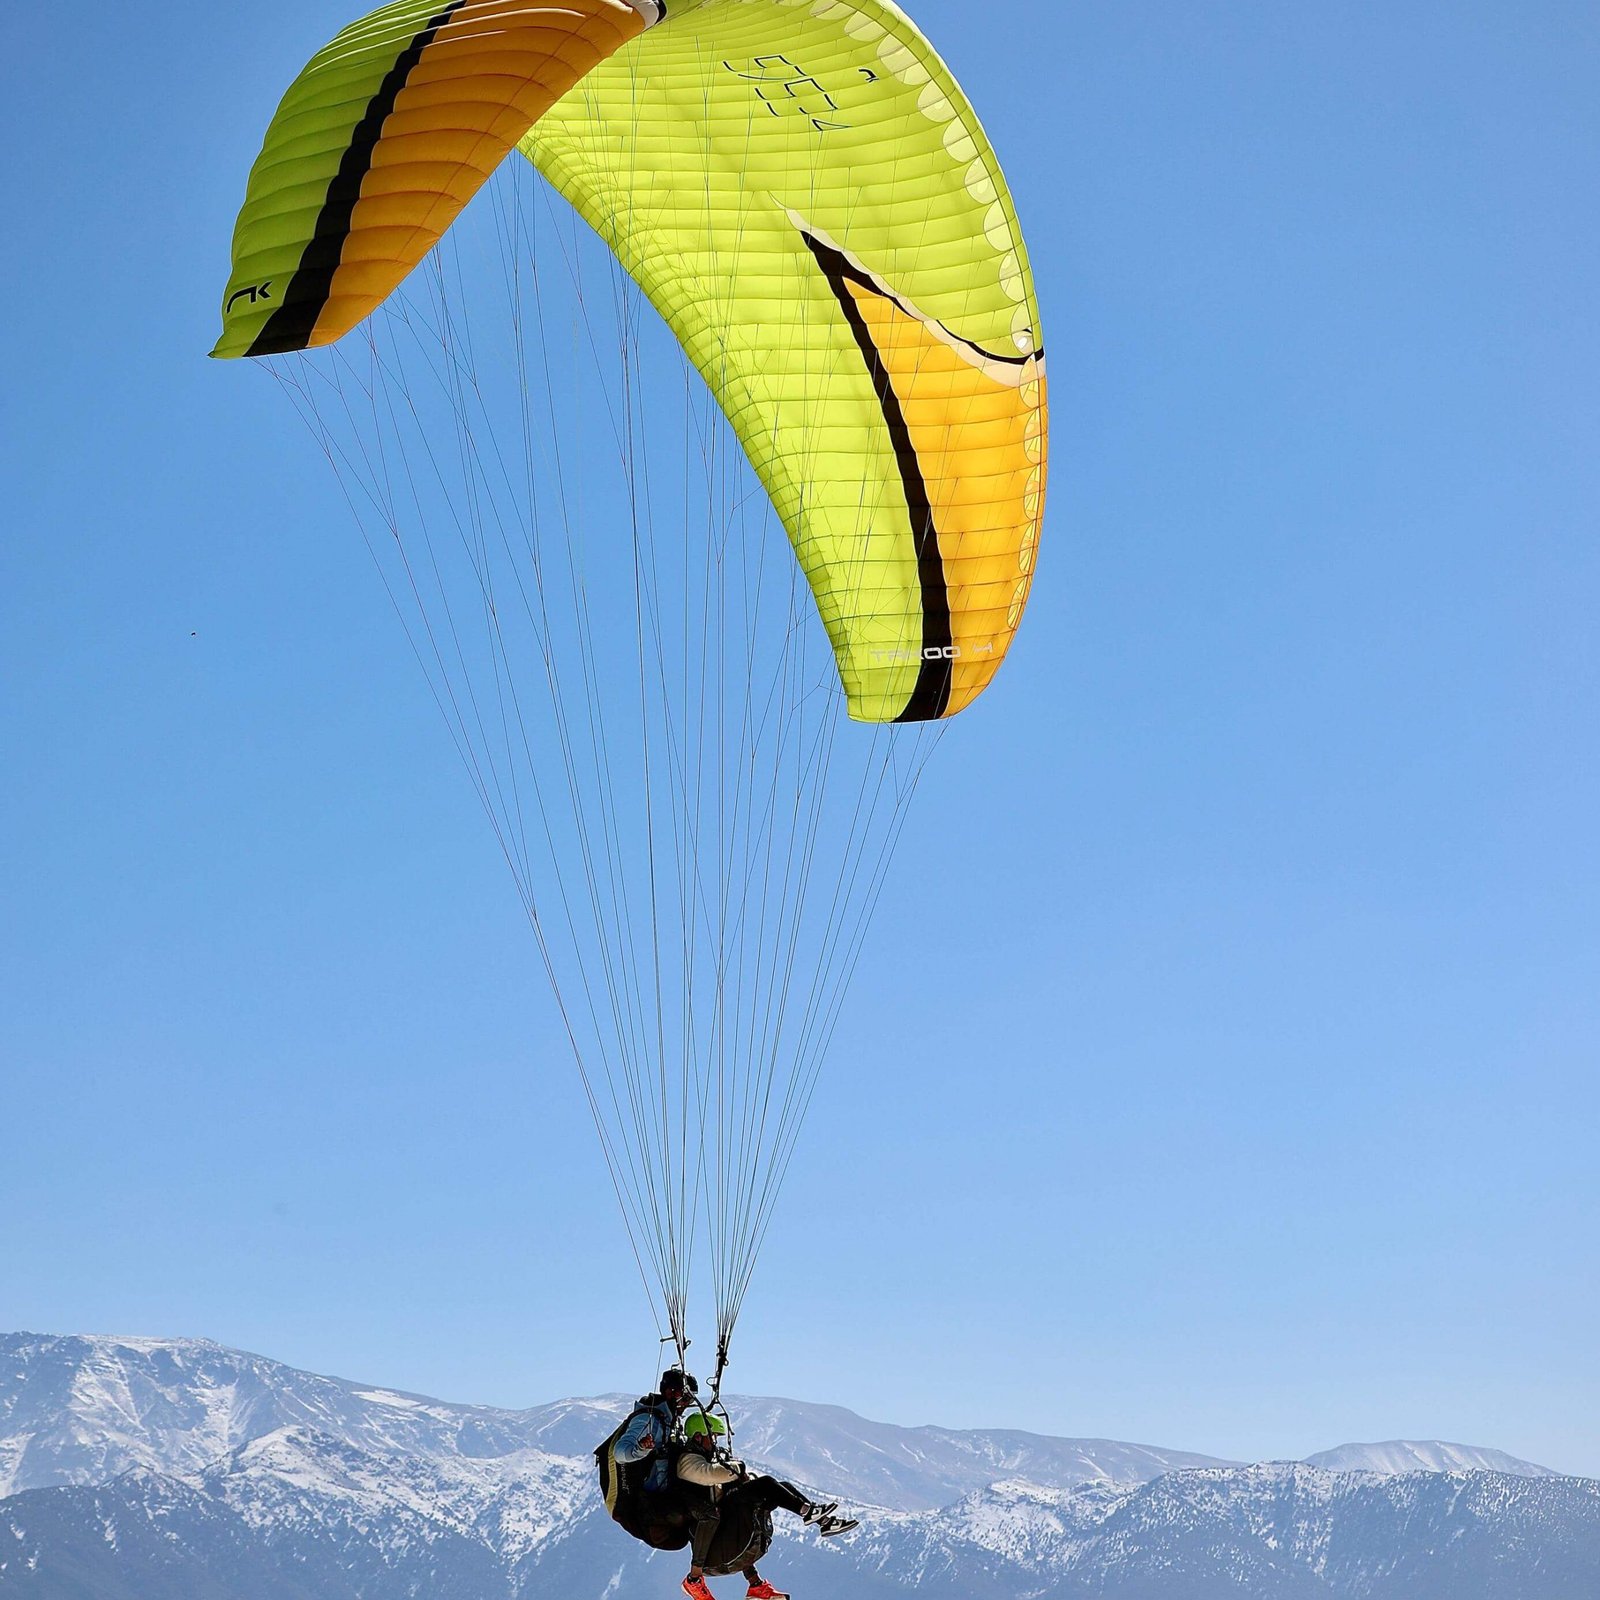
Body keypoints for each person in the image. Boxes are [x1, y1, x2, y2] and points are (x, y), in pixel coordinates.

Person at [674, 1410, 859, 1600]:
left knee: (780, 1489)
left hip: (721, 1533)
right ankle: (694, 1580)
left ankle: (821, 1521)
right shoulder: (687, 1462)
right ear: (698, 1436)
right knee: (766, 1484)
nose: (714, 1441)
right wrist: (738, 1468)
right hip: (709, 1550)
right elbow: (711, 1475)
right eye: (711, 1437)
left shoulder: (704, 1458)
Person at [596, 1368, 703, 1548]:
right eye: (685, 1398)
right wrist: (640, 1449)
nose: (686, 1404)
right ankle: (698, 1570)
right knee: (692, 1519)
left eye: (690, 1400)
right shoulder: (648, 1420)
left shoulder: (669, 1422)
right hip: (641, 1509)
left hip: (656, 1501)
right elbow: (621, 1452)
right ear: (671, 1393)